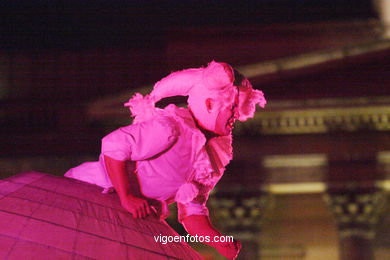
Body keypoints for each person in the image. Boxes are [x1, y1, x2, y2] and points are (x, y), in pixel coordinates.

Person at [65, 61, 266, 259]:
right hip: (91, 191)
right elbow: (113, 145)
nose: (237, 115)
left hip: (134, 215)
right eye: (232, 107)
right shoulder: (170, 128)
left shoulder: (212, 159)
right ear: (210, 103)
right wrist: (126, 197)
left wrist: (219, 242)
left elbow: (192, 212)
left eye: (240, 109)